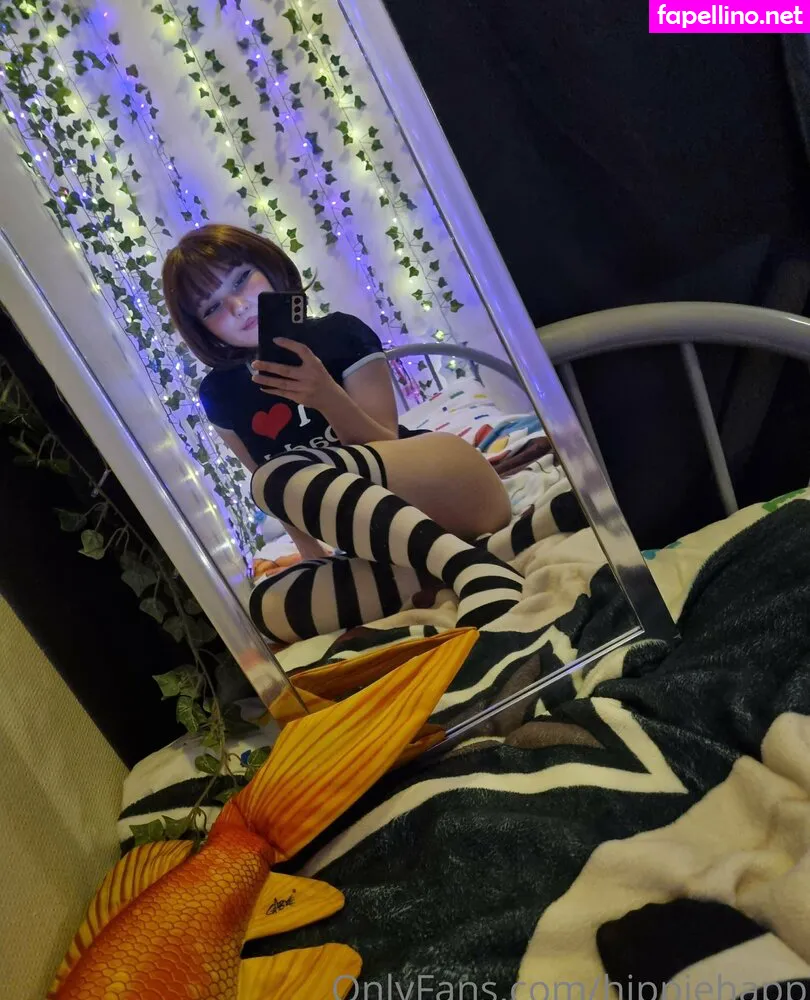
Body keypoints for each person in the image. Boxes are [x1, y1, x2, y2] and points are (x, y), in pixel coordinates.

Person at [162, 224, 523, 644]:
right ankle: (466, 565)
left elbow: (388, 447)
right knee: (268, 608)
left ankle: (459, 565)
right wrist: (312, 555)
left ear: (268, 265)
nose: (239, 306)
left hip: (448, 485)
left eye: (241, 279)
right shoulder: (221, 394)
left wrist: (326, 396)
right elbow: (273, 489)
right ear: (203, 329)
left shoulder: (338, 335)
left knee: (277, 477)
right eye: (213, 307)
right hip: (384, 542)